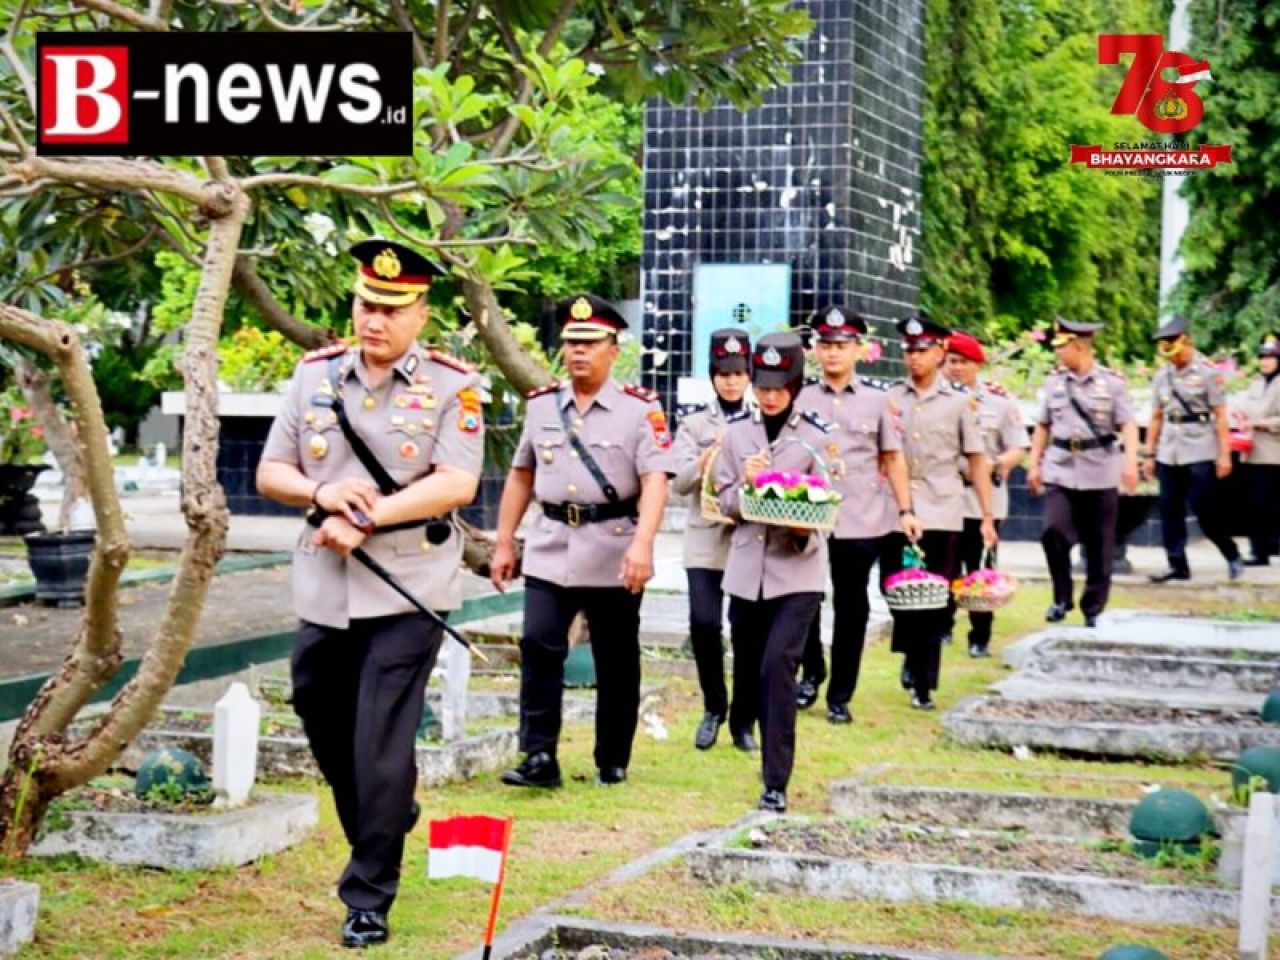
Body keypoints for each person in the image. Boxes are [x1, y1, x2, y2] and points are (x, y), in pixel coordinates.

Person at [256, 238, 484, 949]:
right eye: (364, 304)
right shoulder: (315, 375)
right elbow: (271, 471)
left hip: (410, 582)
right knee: (316, 703)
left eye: (391, 307)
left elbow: (456, 483)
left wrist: (365, 516)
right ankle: (386, 815)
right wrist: (323, 492)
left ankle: (368, 894)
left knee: (382, 736)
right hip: (326, 582)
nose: (374, 318)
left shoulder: (454, 386)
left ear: (422, 313)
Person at [490, 295, 674, 789]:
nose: (577, 352)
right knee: (538, 646)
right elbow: (521, 474)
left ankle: (612, 757)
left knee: (616, 659)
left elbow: (656, 478)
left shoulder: (640, 410)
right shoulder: (543, 404)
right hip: (551, 545)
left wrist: (644, 545)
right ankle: (538, 756)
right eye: (571, 343)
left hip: (614, 548)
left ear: (613, 349)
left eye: (589, 343)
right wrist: (505, 541)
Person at [713, 331, 831, 812]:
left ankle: (774, 780)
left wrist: (791, 501)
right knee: (750, 666)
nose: (768, 395)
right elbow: (720, 501)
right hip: (745, 574)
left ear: (797, 385)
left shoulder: (816, 438)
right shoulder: (738, 434)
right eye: (762, 385)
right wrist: (747, 486)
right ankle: (749, 732)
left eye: (778, 386)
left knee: (778, 667)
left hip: (796, 573)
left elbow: (825, 509)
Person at [794, 306, 921, 723]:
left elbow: (893, 457)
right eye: (825, 345)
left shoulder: (878, 399)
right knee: (804, 600)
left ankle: (840, 694)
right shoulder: (799, 396)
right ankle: (812, 671)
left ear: (856, 349)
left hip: (860, 518)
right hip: (808, 516)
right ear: (816, 350)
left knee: (852, 606)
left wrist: (905, 510)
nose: (832, 354)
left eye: (841, 346)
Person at [883, 316, 995, 710]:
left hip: (943, 509)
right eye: (909, 350)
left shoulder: (959, 403)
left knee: (933, 596)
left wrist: (985, 515)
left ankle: (923, 680)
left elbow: (977, 460)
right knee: (895, 587)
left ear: (940, 353)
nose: (914, 358)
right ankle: (910, 651)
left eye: (922, 350)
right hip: (895, 508)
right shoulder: (891, 398)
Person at [671, 328, 758, 751]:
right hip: (704, 536)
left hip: (746, 536)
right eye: (723, 372)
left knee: (746, 632)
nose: (730, 380)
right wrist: (706, 457)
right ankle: (713, 705)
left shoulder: (763, 420)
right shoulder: (693, 423)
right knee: (704, 623)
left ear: (750, 375)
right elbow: (678, 482)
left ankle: (744, 719)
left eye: (738, 372)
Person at [1027, 317, 1139, 628]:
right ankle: (1061, 596)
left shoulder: (1112, 384)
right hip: (1061, 466)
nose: (1058, 354)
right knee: (1053, 531)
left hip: (1100, 467)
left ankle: (1093, 605)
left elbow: (1128, 424)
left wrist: (1131, 462)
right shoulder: (1054, 383)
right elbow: (1043, 425)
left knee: (1100, 542)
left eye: (1062, 348)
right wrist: (1034, 463)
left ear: (1079, 347)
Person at [944, 331, 1029, 657]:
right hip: (946, 497)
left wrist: (993, 464)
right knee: (946, 567)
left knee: (981, 569)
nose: (956, 368)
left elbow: (1018, 446)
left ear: (977, 365)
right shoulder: (936, 399)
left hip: (984, 499)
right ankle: (943, 626)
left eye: (962, 362)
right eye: (951, 361)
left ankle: (980, 635)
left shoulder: (999, 403)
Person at [1143, 315, 1243, 582]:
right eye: (1167, 352)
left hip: (1200, 447)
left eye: (1175, 351)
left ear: (1186, 342)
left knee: (1204, 507)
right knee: (1169, 508)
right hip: (1169, 449)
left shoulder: (1208, 373)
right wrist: (1149, 454)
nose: (1172, 358)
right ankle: (1177, 564)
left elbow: (1220, 416)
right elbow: (1155, 417)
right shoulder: (1162, 376)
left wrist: (1224, 454)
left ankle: (1231, 553)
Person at [1242, 332, 1280, 565]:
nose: (1264, 361)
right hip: (1252, 453)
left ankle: (1270, 547)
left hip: (1275, 455)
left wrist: (1258, 423)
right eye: (1261, 357)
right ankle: (1259, 551)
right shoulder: (1255, 384)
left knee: (1272, 505)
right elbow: (1244, 407)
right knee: (1254, 505)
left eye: (1270, 357)